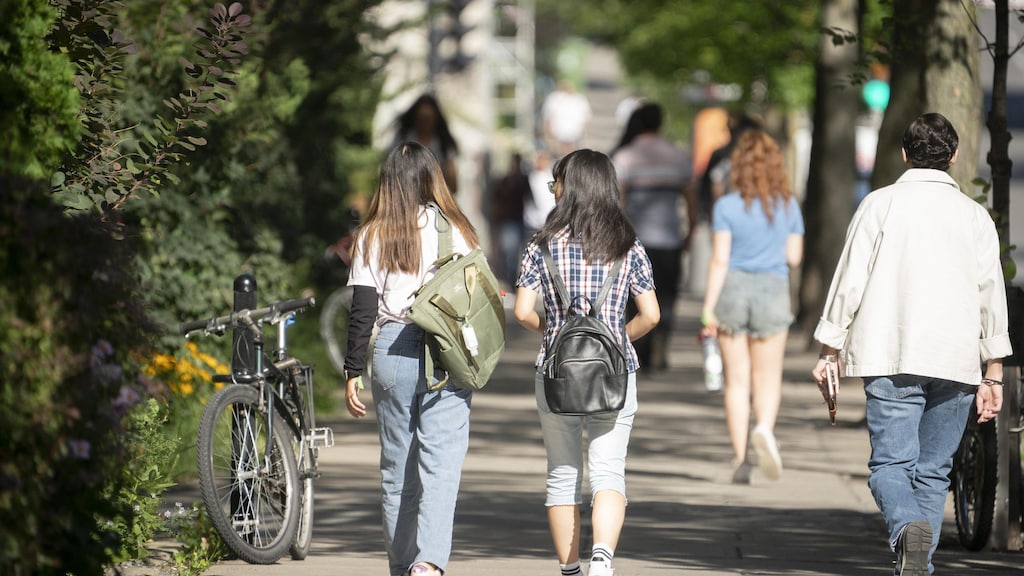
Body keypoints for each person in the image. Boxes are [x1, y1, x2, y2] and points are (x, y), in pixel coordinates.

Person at [811, 113, 1010, 576]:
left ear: (904, 154)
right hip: (956, 360)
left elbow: (850, 280)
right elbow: (991, 293)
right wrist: (994, 371)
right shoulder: (975, 216)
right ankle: (917, 565)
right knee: (934, 472)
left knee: (890, 467)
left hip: (891, 353)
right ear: (954, 157)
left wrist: (829, 348)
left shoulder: (879, 205)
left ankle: (905, 529)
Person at [513, 149, 660, 576]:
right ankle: (602, 560)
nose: (552, 191)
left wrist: (555, 332)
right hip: (614, 373)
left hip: (556, 371)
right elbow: (651, 315)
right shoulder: (628, 245)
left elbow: (521, 312)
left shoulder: (541, 245)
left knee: (562, 474)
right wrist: (616, 338)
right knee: (609, 472)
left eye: (555, 183)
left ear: (568, 188)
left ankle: (570, 570)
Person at [343, 141, 480, 576]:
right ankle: (429, 562)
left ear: (388, 182)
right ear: (431, 179)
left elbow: (363, 310)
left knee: (397, 468)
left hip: (392, 350)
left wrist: (352, 371)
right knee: (441, 464)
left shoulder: (372, 234)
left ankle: (402, 566)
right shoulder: (455, 229)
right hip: (445, 351)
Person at [700, 129, 804, 485]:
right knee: (768, 378)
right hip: (773, 291)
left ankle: (741, 460)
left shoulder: (726, 206)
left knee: (736, 382)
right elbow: (794, 257)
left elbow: (719, 259)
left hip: (732, 291)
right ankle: (764, 429)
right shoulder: (788, 206)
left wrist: (708, 308)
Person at [612, 102, 692, 371]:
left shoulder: (625, 157)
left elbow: (618, 203)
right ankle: (660, 346)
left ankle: (638, 349)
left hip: (633, 243)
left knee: (633, 299)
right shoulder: (677, 157)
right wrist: (690, 231)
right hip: (669, 239)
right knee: (667, 296)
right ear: (660, 123)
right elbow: (691, 198)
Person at [391, 93, 460, 194]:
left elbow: (454, 186)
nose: (425, 124)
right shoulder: (403, 138)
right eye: (421, 119)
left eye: (429, 119)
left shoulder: (443, 144)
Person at [489, 151, 530, 285]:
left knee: (514, 252)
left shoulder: (522, 179)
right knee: (509, 252)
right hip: (509, 220)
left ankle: (511, 278)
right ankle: (508, 278)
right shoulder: (506, 180)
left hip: (517, 219)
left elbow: (528, 196)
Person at [542, 80, 592, 157]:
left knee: (569, 151)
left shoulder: (579, 99)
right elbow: (548, 116)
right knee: (562, 152)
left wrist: (582, 129)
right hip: (559, 132)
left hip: (573, 131)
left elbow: (585, 116)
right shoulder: (554, 98)